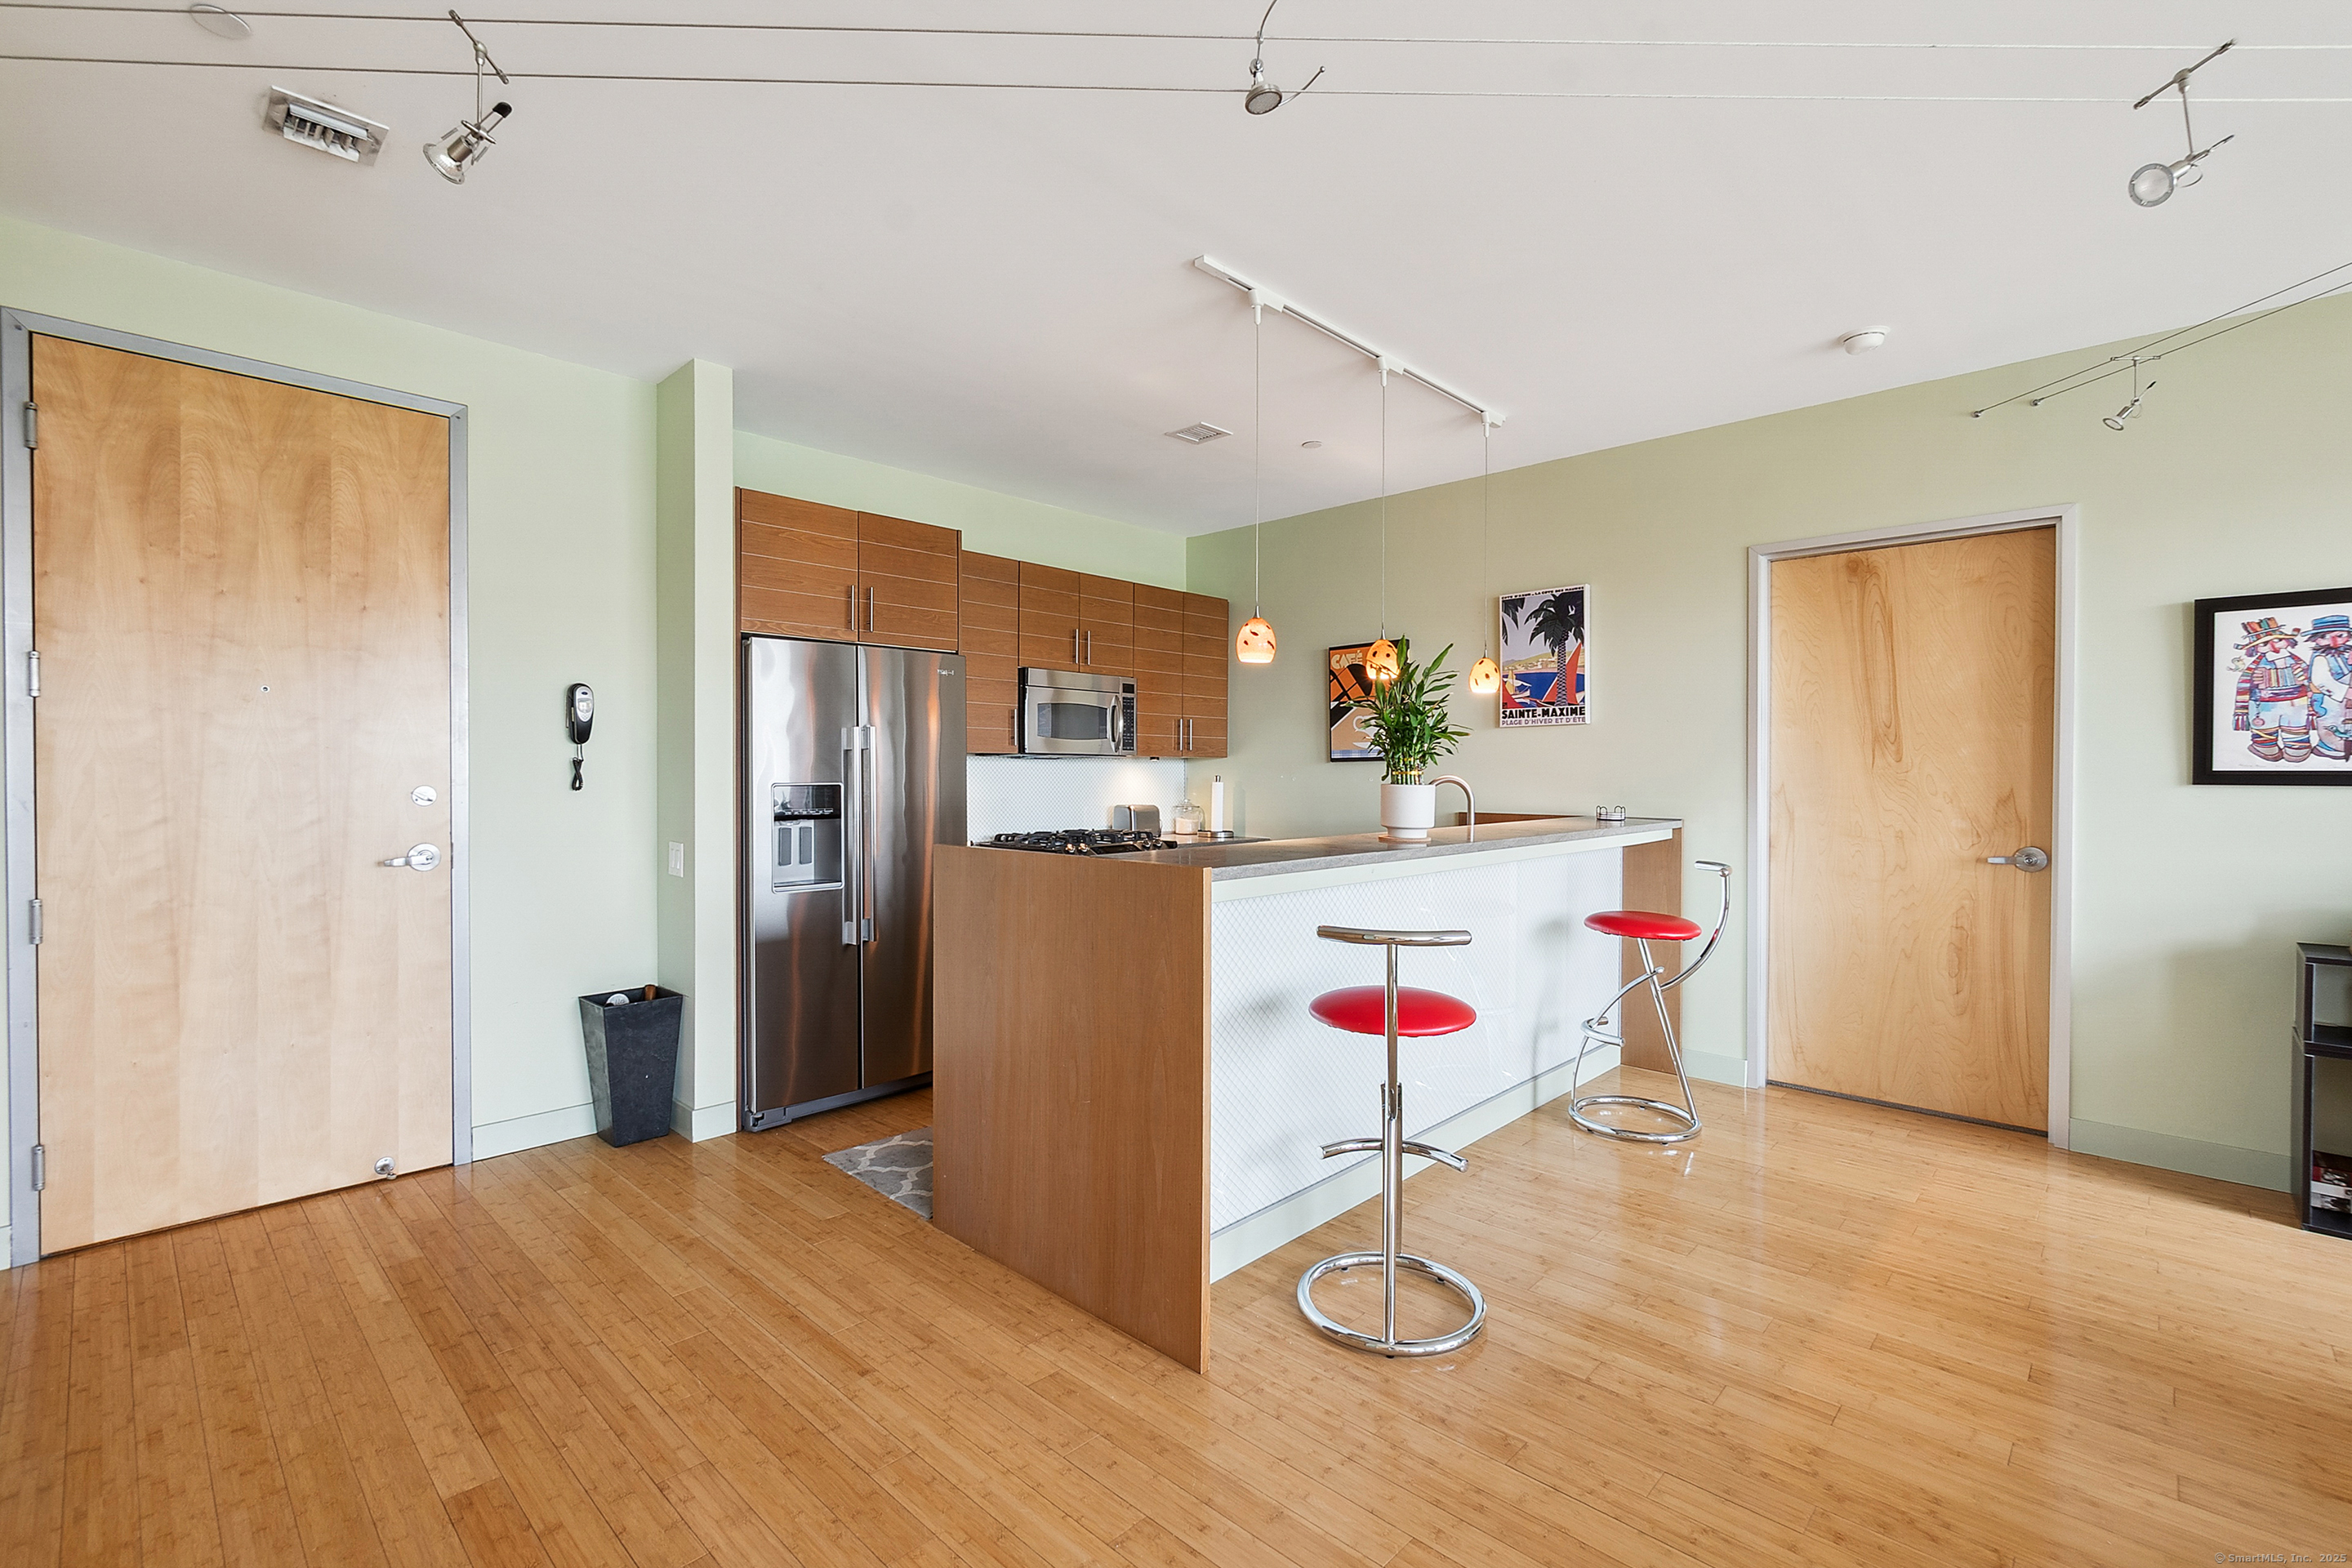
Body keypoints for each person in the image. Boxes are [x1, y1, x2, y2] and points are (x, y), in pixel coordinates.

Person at [2233, 616, 2313, 764]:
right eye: (2265, 644)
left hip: (2296, 703)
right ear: (2255, 648)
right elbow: (2244, 685)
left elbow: (2311, 679)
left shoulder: (2296, 661)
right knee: (2265, 731)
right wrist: (2255, 682)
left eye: (2277, 640)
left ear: (2287, 641)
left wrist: (2304, 678)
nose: (2274, 647)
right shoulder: (2255, 667)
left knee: (2296, 731)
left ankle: (2296, 750)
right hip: (2264, 705)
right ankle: (2266, 749)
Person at [2306, 613, 2352, 763]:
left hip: (2346, 698)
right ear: (2316, 639)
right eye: (2325, 636)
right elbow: (2321, 680)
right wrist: (2346, 692)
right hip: (2329, 699)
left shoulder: (2348, 653)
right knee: (2331, 723)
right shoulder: (2320, 657)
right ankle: (2330, 749)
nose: (2333, 641)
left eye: (2340, 635)